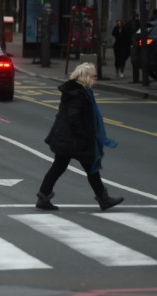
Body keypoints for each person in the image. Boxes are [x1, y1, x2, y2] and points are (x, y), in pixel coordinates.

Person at [36, 62, 124, 211]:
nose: (96, 79)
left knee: (59, 167)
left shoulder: (75, 91)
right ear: (87, 77)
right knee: (90, 167)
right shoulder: (79, 94)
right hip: (72, 140)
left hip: (64, 137)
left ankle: (43, 197)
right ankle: (104, 199)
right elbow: (73, 117)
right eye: (94, 76)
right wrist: (84, 135)